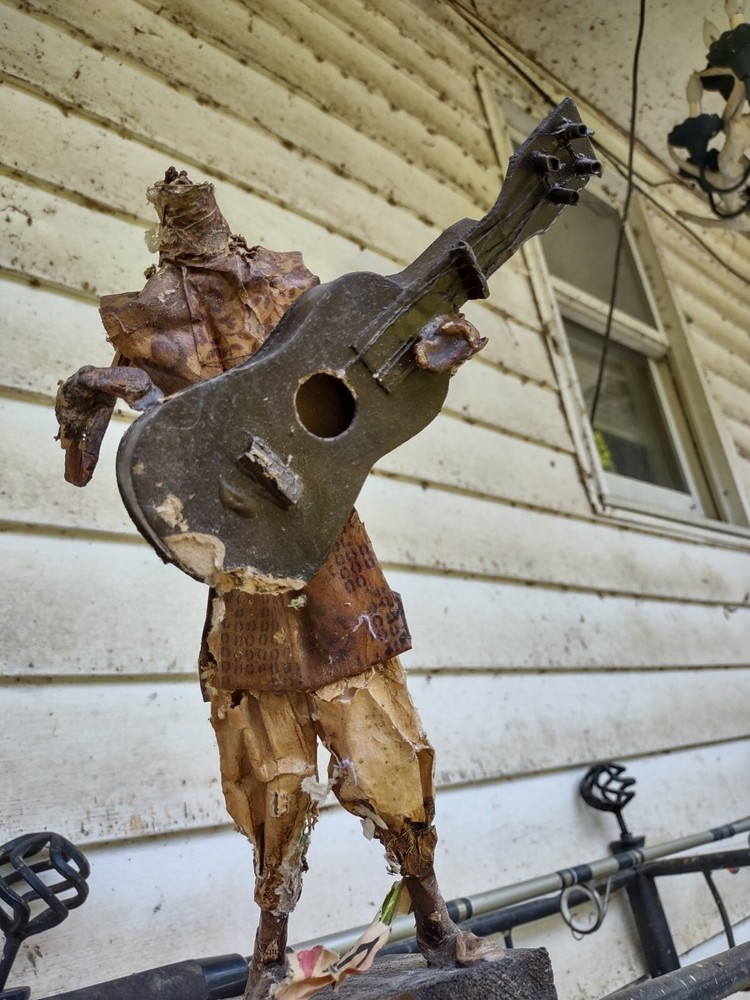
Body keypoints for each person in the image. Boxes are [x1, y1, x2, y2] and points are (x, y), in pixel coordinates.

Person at [56, 169, 499, 999]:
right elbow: (91, 466)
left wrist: (430, 356)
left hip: (332, 554)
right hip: (242, 579)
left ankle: (433, 913)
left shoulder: (296, 293)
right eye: (177, 269)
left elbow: (374, 381)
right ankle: (268, 954)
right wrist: (90, 395)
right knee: (271, 774)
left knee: (386, 748)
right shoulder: (146, 329)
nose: (190, 282)